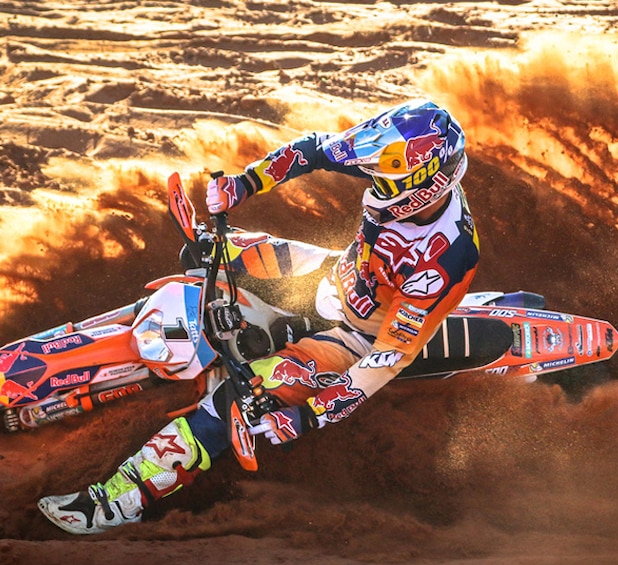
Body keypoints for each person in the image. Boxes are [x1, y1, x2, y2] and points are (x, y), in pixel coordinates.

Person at [38, 99, 480, 534]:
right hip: (332, 275)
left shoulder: (445, 261)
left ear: (425, 185)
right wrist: (245, 184)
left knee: (231, 404)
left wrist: (308, 416)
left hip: (355, 340)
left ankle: (119, 503)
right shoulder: (391, 153)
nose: (374, 185)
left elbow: (386, 359)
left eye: (385, 182)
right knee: (203, 254)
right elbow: (313, 149)